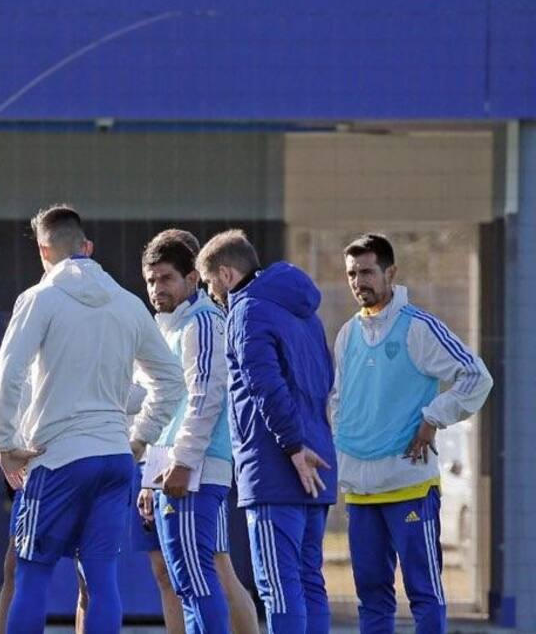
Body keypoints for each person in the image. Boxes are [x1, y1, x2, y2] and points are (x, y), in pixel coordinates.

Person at [0, 204, 186, 633]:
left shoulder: (39, 299)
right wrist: (140, 437)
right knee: (101, 580)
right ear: (88, 247)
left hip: (57, 458)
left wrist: (4, 442)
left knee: (32, 574)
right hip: (115, 457)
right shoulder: (129, 304)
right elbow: (171, 380)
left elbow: (9, 372)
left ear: (44, 251)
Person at [332, 234, 492, 633]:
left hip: (409, 485)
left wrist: (433, 416)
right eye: (352, 273)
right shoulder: (347, 334)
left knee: (423, 591)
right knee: (371, 596)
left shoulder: (418, 328)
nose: (358, 282)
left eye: (367, 271)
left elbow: (476, 377)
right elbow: (339, 401)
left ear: (391, 272)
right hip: (360, 490)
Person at [196, 229, 336, 634]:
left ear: (225, 275)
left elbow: (263, 385)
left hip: (278, 466)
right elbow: (323, 378)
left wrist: (293, 447)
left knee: (279, 584)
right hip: (319, 459)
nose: (211, 295)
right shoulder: (305, 314)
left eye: (208, 284)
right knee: (310, 579)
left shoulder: (246, 310)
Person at [136, 230, 259, 634]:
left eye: (166, 278)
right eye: (151, 280)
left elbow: (206, 398)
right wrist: (148, 473)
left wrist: (184, 461)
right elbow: (161, 406)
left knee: (203, 575)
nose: (157, 288)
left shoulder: (203, 322)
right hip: (167, 465)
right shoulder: (164, 327)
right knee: (176, 575)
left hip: (194, 466)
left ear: (192, 279)